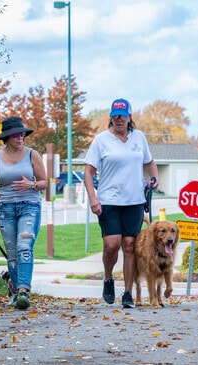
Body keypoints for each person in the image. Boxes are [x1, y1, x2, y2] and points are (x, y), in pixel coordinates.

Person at [83, 98, 159, 308]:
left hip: (134, 200)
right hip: (108, 200)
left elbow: (149, 162)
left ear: (129, 117)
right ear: (111, 118)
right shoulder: (101, 140)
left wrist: (154, 177)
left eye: (122, 115)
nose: (119, 119)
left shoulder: (139, 138)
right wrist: (93, 197)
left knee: (129, 246)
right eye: (115, 116)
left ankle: (127, 293)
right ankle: (108, 278)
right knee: (112, 245)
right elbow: (89, 172)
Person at [0, 116, 47, 309]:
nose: (20, 137)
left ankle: (23, 291)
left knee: (24, 247)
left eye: (22, 133)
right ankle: (13, 287)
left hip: (29, 206)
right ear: (7, 137)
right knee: (12, 254)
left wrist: (32, 185)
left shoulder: (32, 155)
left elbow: (44, 182)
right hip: (5, 209)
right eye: (16, 134)